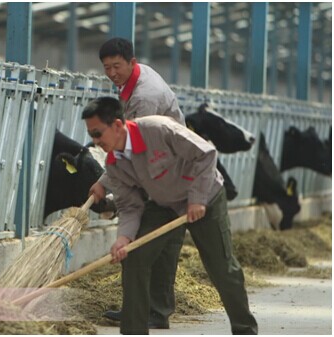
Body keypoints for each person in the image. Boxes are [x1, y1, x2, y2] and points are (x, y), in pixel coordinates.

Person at [82, 97, 258, 335]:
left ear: (116, 125)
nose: (95, 141)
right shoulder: (114, 163)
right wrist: (124, 238)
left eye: (97, 133)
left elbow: (206, 154)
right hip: (165, 204)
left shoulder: (158, 129)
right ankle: (134, 331)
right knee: (133, 256)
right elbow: (131, 206)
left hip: (205, 196)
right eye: (91, 135)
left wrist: (197, 198)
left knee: (220, 266)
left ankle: (244, 329)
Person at [96, 37, 185, 328]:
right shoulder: (136, 78)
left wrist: (103, 183)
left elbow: (129, 147)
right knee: (162, 243)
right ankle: (155, 310)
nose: (111, 73)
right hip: (166, 169)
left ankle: (145, 310)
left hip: (166, 172)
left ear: (131, 63)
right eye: (106, 68)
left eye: (116, 66)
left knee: (143, 242)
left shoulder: (145, 96)